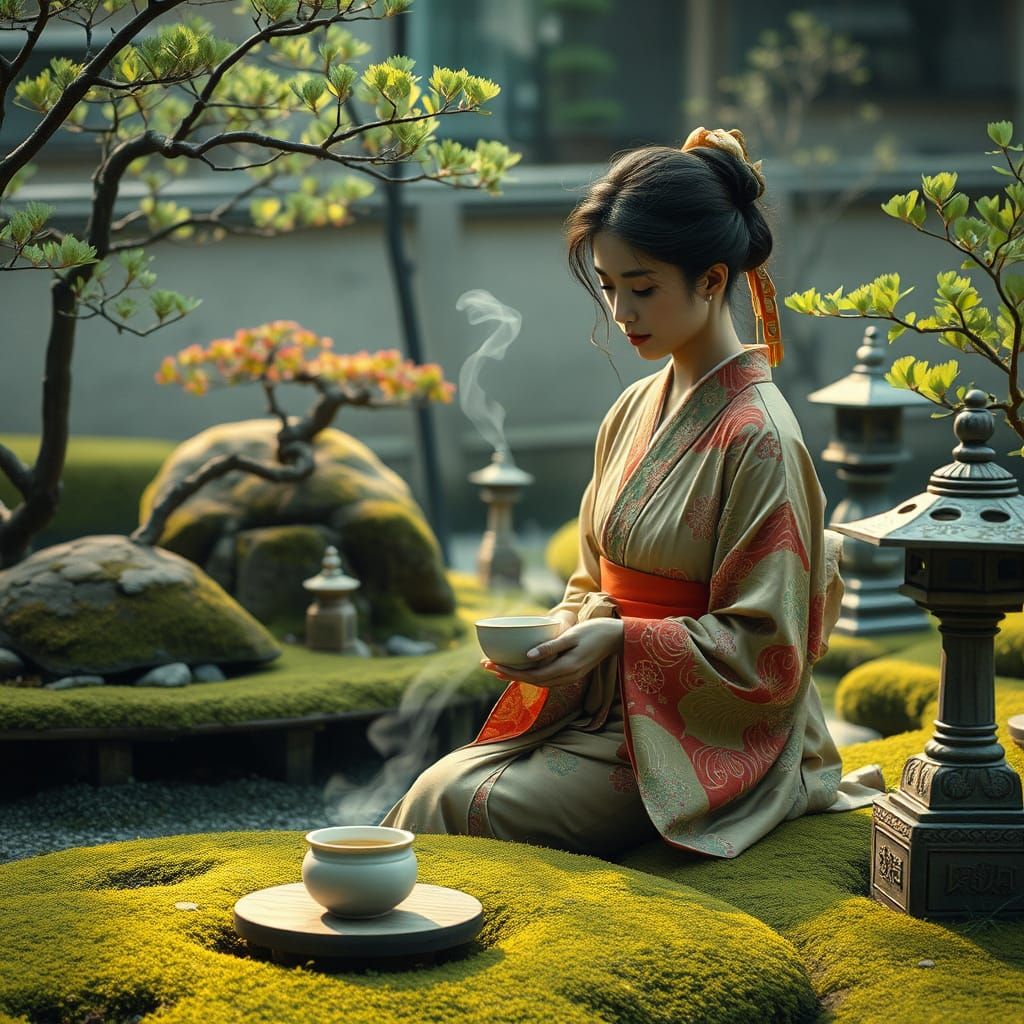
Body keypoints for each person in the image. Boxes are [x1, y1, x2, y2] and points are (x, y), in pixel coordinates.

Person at [381, 127, 884, 859]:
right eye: (610, 287)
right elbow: (593, 576)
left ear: (712, 280)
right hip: (605, 710)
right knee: (441, 782)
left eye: (642, 288)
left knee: (464, 802)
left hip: (688, 739)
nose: (621, 314)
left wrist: (620, 636)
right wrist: (565, 633)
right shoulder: (633, 408)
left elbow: (767, 649)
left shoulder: (759, 436)